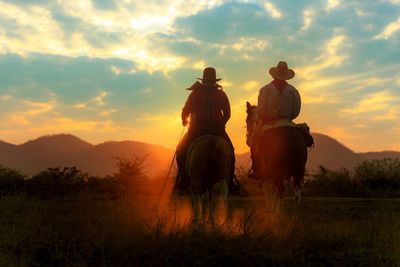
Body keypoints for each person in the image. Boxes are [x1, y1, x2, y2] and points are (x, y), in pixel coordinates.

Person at [175, 67, 240, 192]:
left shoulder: (194, 93)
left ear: (203, 80)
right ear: (214, 81)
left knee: (181, 151)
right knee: (230, 151)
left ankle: (183, 178)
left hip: (196, 130)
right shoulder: (221, 94)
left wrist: (184, 121)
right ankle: (230, 180)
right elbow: (227, 114)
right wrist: (221, 123)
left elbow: (185, 110)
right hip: (217, 129)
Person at [248, 61, 302, 179]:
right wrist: (287, 117)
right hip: (288, 123)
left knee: (255, 142)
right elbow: (296, 111)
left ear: (274, 74)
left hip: (269, 124)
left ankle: (256, 169)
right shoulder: (293, 90)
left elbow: (261, 110)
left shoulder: (265, 89)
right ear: (286, 75)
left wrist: (268, 116)